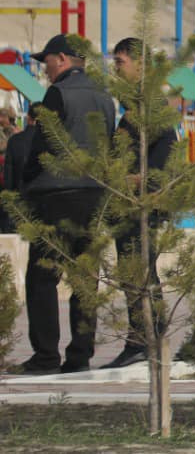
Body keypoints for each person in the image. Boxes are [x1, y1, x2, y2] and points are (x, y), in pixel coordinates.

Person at [19, 33, 118, 373]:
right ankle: (80, 356)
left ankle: (46, 355)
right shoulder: (105, 96)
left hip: (56, 195)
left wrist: (28, 178)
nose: (44, 68)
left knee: (43, 277)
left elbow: (43, 143)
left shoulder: (58, 93)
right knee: (85, 278)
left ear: (61, 59)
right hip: (93, 194)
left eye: (45, 61)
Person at [103, 36, 180, 370]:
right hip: (127, 205)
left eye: (120, 62)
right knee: (134, 274)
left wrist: (136, 180)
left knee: (141, 273)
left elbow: (164, 162)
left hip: (143, 206)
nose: (115, 69)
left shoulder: (152, 110)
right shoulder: (133, 109)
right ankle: (143, 338)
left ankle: (146, 339)